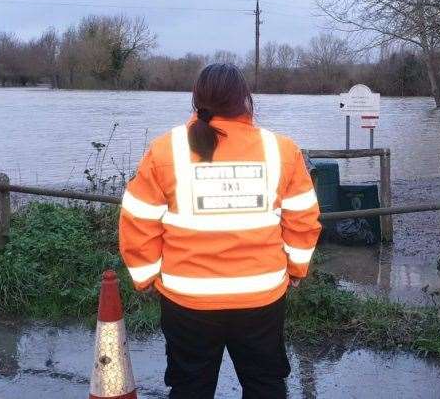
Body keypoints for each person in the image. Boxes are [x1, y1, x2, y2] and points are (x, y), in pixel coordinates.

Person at [118, 63, 322, 398]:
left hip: (187, 299)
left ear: (196, 99)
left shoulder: (164, 150)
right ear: (245, 100)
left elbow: (138, 220)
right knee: (264, 384)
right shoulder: (281, 150)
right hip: (261, 295)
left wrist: (148, 277)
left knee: (190, 387)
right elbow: (303, 219)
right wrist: (296, 269)